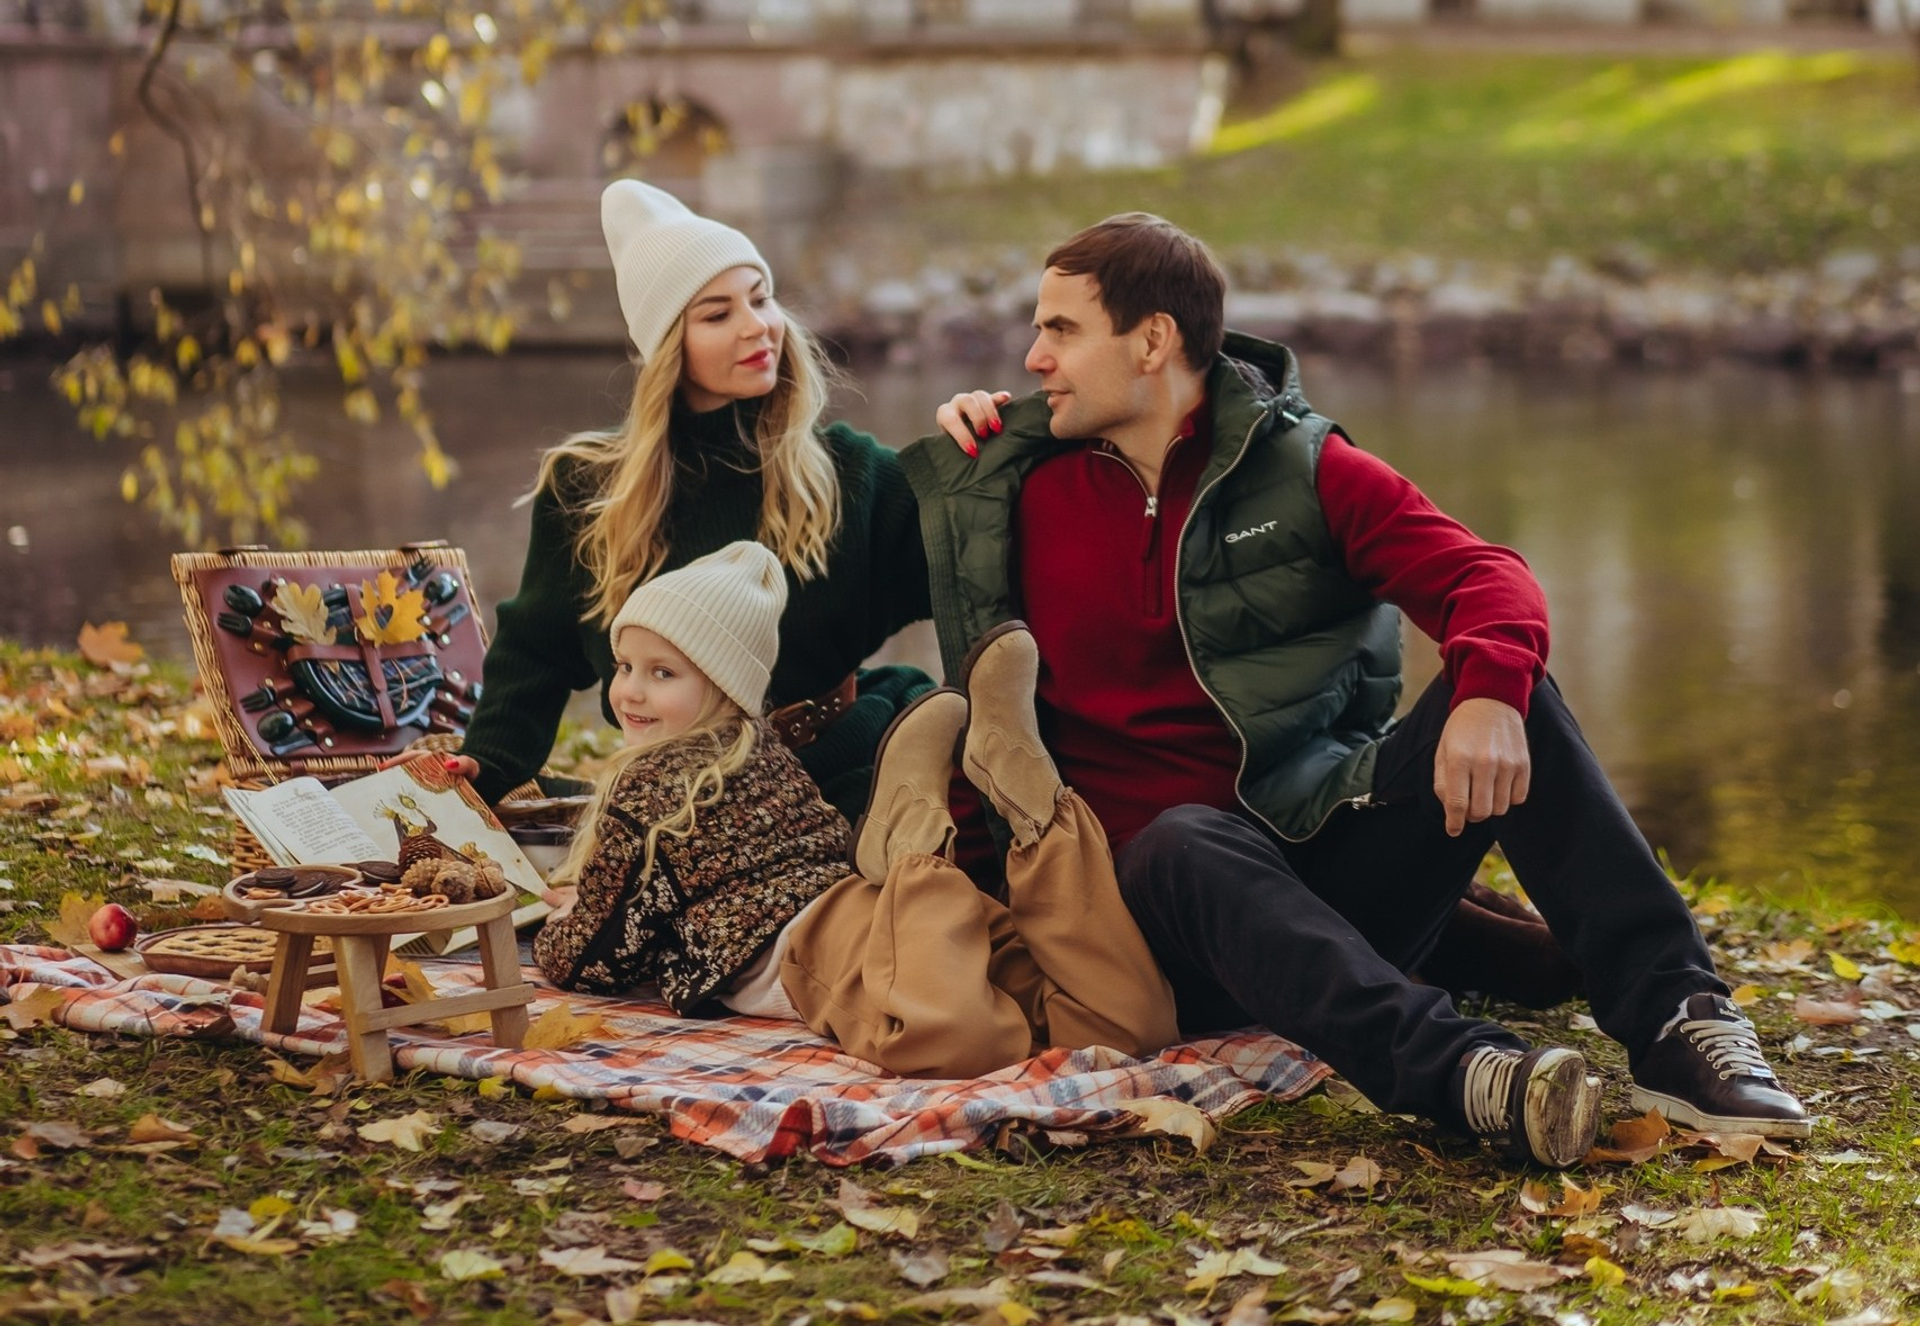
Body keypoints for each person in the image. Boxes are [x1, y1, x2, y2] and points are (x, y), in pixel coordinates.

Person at [911, 212, 1808, 1164]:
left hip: (1319, 860)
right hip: (1148, 915)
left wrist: (1490, 697)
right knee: (1184, 838)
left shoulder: (1302, 469)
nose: (1033, 355)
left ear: (1152, 341)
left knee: (1513, 693)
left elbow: (1486, 578)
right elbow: (838, 556)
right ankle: (1467, 1074)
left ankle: (1680, 1019)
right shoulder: (1006, 483)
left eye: (1060, 329)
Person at [533, 540, 1178, 1077]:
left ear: (722, 685)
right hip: (892, 918)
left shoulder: (650, 785)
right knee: (1129, 1027)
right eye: (623, 666)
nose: (630, 692)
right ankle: (1041, 820)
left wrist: (558, 929)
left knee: (957, 1045)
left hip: (830, 952)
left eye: (662, 673)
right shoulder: (763, 752)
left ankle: (918, 845)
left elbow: (596, 956)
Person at [447, 180, 937, 823]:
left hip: (837, 782)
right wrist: (483, 767)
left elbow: (978, 565)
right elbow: (533, 656)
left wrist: (975, 449)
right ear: (668, 346)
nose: (757, 326)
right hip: (668, 800)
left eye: (760, 299)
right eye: (717, 314)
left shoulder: (846, 471)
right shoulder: (587, 488)